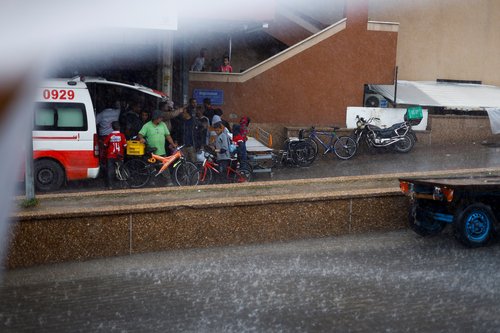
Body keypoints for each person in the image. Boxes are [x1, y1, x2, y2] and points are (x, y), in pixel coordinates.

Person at [102, 121, 127, 189]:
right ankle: (123, 185)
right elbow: (125, 145)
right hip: (119, 156)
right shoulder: (122, 135)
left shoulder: (110, 136)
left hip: (111, 156)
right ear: (119, 127)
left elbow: (105, 144)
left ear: (112, 127)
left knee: (110, 171)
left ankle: (110, 186)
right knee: (121, 169)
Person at [96, 100, 121, 167]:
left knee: (103, 153)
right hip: (114, 137)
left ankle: (104, 167)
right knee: (112, 153)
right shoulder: (117, 112)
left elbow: (94, 122)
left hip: (103, 137)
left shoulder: (102, 114)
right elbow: (119, 107)